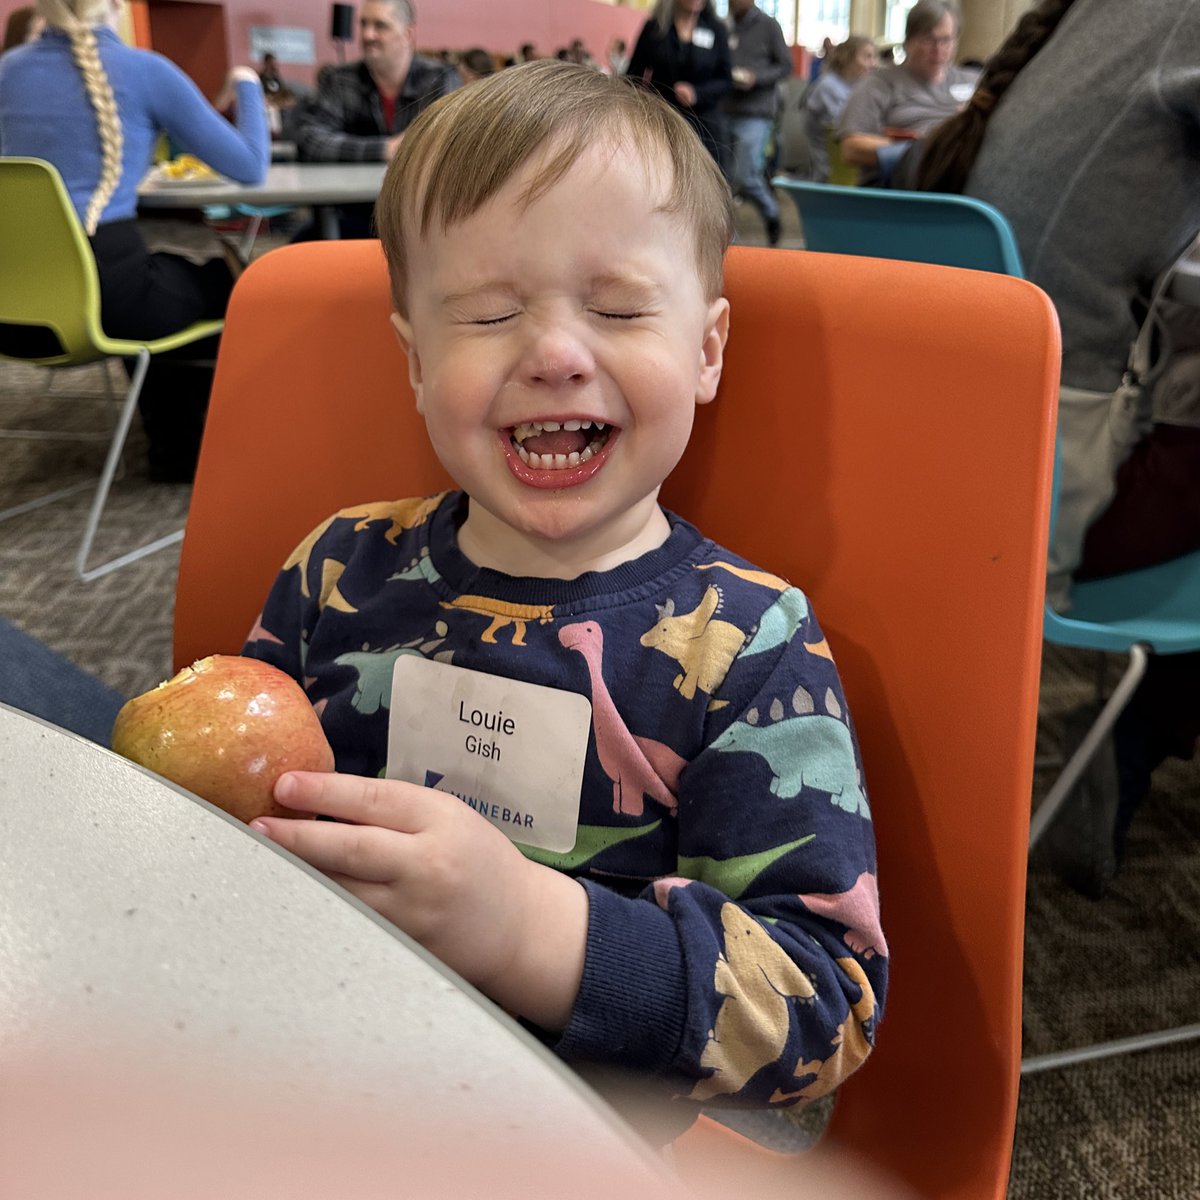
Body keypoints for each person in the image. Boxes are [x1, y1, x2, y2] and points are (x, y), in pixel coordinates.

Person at [242, 60, 885, 1129]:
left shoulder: (749, 640)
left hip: (569, 1137)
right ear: (415, 359)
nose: (552, 353)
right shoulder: (335, 569)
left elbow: (826, 1006)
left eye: (619, 307)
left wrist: (529, 931)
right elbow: (232, 817)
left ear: (706, 349)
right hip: (307, 1076)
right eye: (488, 314)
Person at [914, 0, 1200, 897]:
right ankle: (1137, 737)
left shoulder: (1092, 25)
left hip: (948, 465)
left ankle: (1137, 735)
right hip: (1051, 490)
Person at [0, 0, 268, 481]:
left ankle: (176, 445)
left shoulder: (7, 72)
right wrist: (248, 81)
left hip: (15, 315)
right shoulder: (144, 71)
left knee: (163, 275)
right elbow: (249, 165)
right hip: (111, 301)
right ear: (116, 6)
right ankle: (194, 448)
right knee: (232, 281)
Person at [292, 0, 457, 236]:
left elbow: (446, 145)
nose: (367, 35)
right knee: (301, 245)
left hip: (418, 217)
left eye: (380, 25)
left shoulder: (439, 79)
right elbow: (309, 140)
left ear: (408, 33)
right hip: (348, 216)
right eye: (363, 24)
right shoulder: (339, 80)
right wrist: (384, 149)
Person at [837, 0, 976, 185]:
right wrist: (923, 148)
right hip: (903, 183)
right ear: (909, 41)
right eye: (928, 40)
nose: (938, 49)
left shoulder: (973, 81)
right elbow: (851, 149)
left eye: (946, 40)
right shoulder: (879, 84)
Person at [626, 0, 732, 165]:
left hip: (703, 125)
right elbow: (633, 76)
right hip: (661, 119)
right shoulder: (655, 28)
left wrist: (697, 93)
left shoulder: (716, 30)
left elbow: (725, 80)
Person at [723, 0, 792, 246]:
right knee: (723, 176)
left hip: (755, 111)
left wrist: (757, 77)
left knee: (744, 174)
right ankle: (728, 235)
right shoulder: (725, 25)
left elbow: (786, 65)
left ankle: (771, 213)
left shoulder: (769, 25)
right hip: (725, 108)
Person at [804, 35, 877, 183]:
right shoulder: (828, 87)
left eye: (873, 57)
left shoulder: (855, 86)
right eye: (867, 57)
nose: (873, 64)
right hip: (831, 170)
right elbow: (849, 126)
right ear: (848, 58)